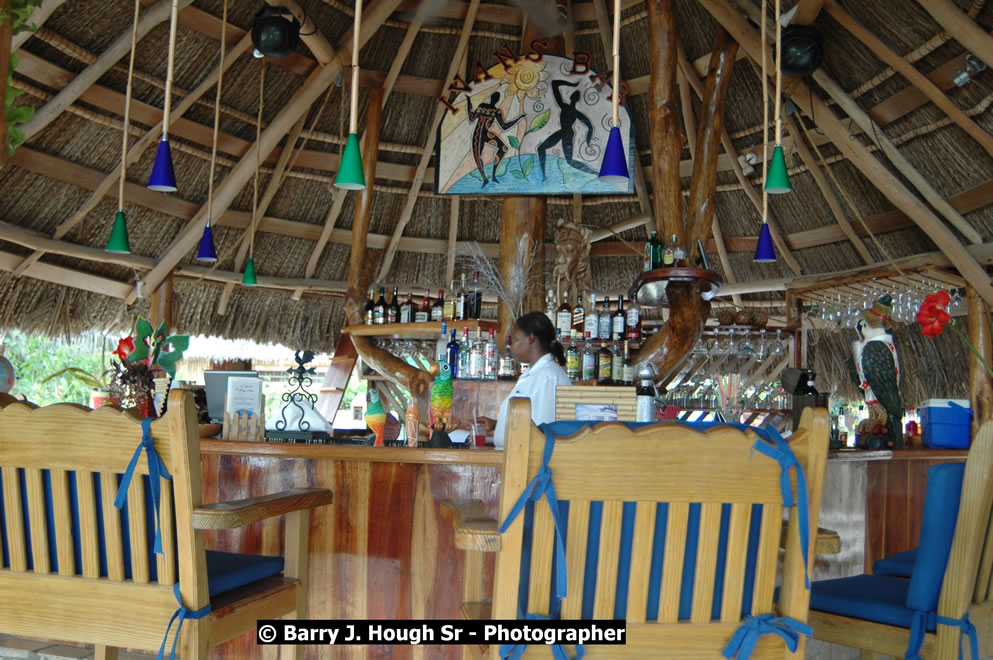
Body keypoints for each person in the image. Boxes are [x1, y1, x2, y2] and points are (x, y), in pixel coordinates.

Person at [480, 312, 571, 449]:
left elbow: (543, 433)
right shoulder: (535, 374)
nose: (512, 346)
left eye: (516, 339)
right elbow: (529, 422)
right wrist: (498, 424)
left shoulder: (549, 378)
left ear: (530, 338)